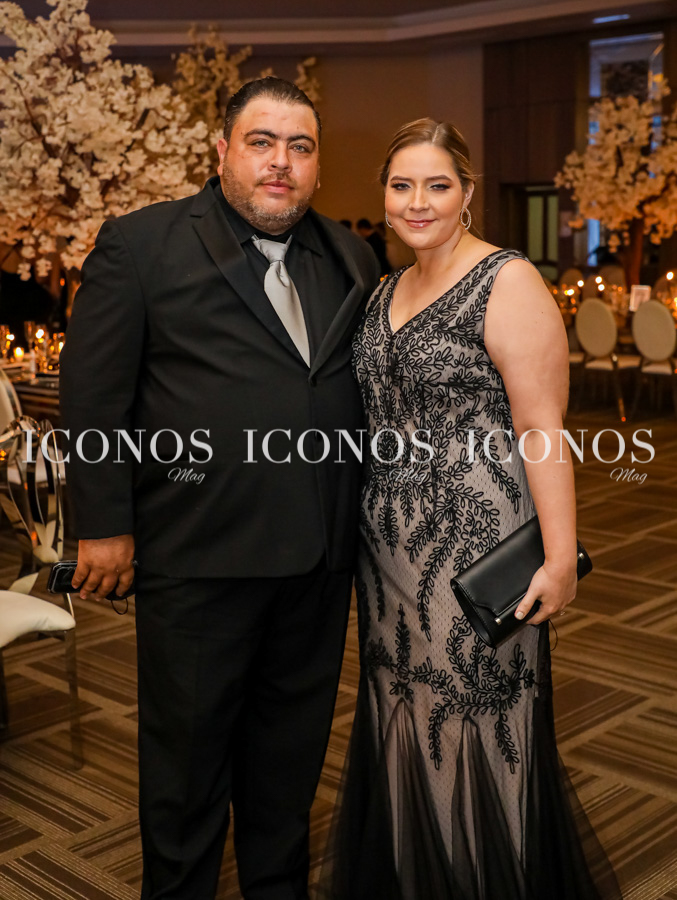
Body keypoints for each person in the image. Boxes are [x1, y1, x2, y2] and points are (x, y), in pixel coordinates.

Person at [59, 77, 380, 900]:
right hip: (199, 558)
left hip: (317, 562)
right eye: (261, 142)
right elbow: (93, 398)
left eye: (300, 147)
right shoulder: (141, 245)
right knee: (186, 775)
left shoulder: (350, 255)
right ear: (222, 150)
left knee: (288, 768)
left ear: (317, 165)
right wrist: (103, 525)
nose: (281, 162)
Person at [320, 119, 621, 899]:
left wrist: (559, 558)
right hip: (386, 554)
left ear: (466, 193)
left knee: (475, 718)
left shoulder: (506, 279)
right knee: (400, 711)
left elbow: (541, 427)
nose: (416, 202)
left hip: (474, 543)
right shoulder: (383, 289)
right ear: (384, 196)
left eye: (436, 185)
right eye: (401, 186)